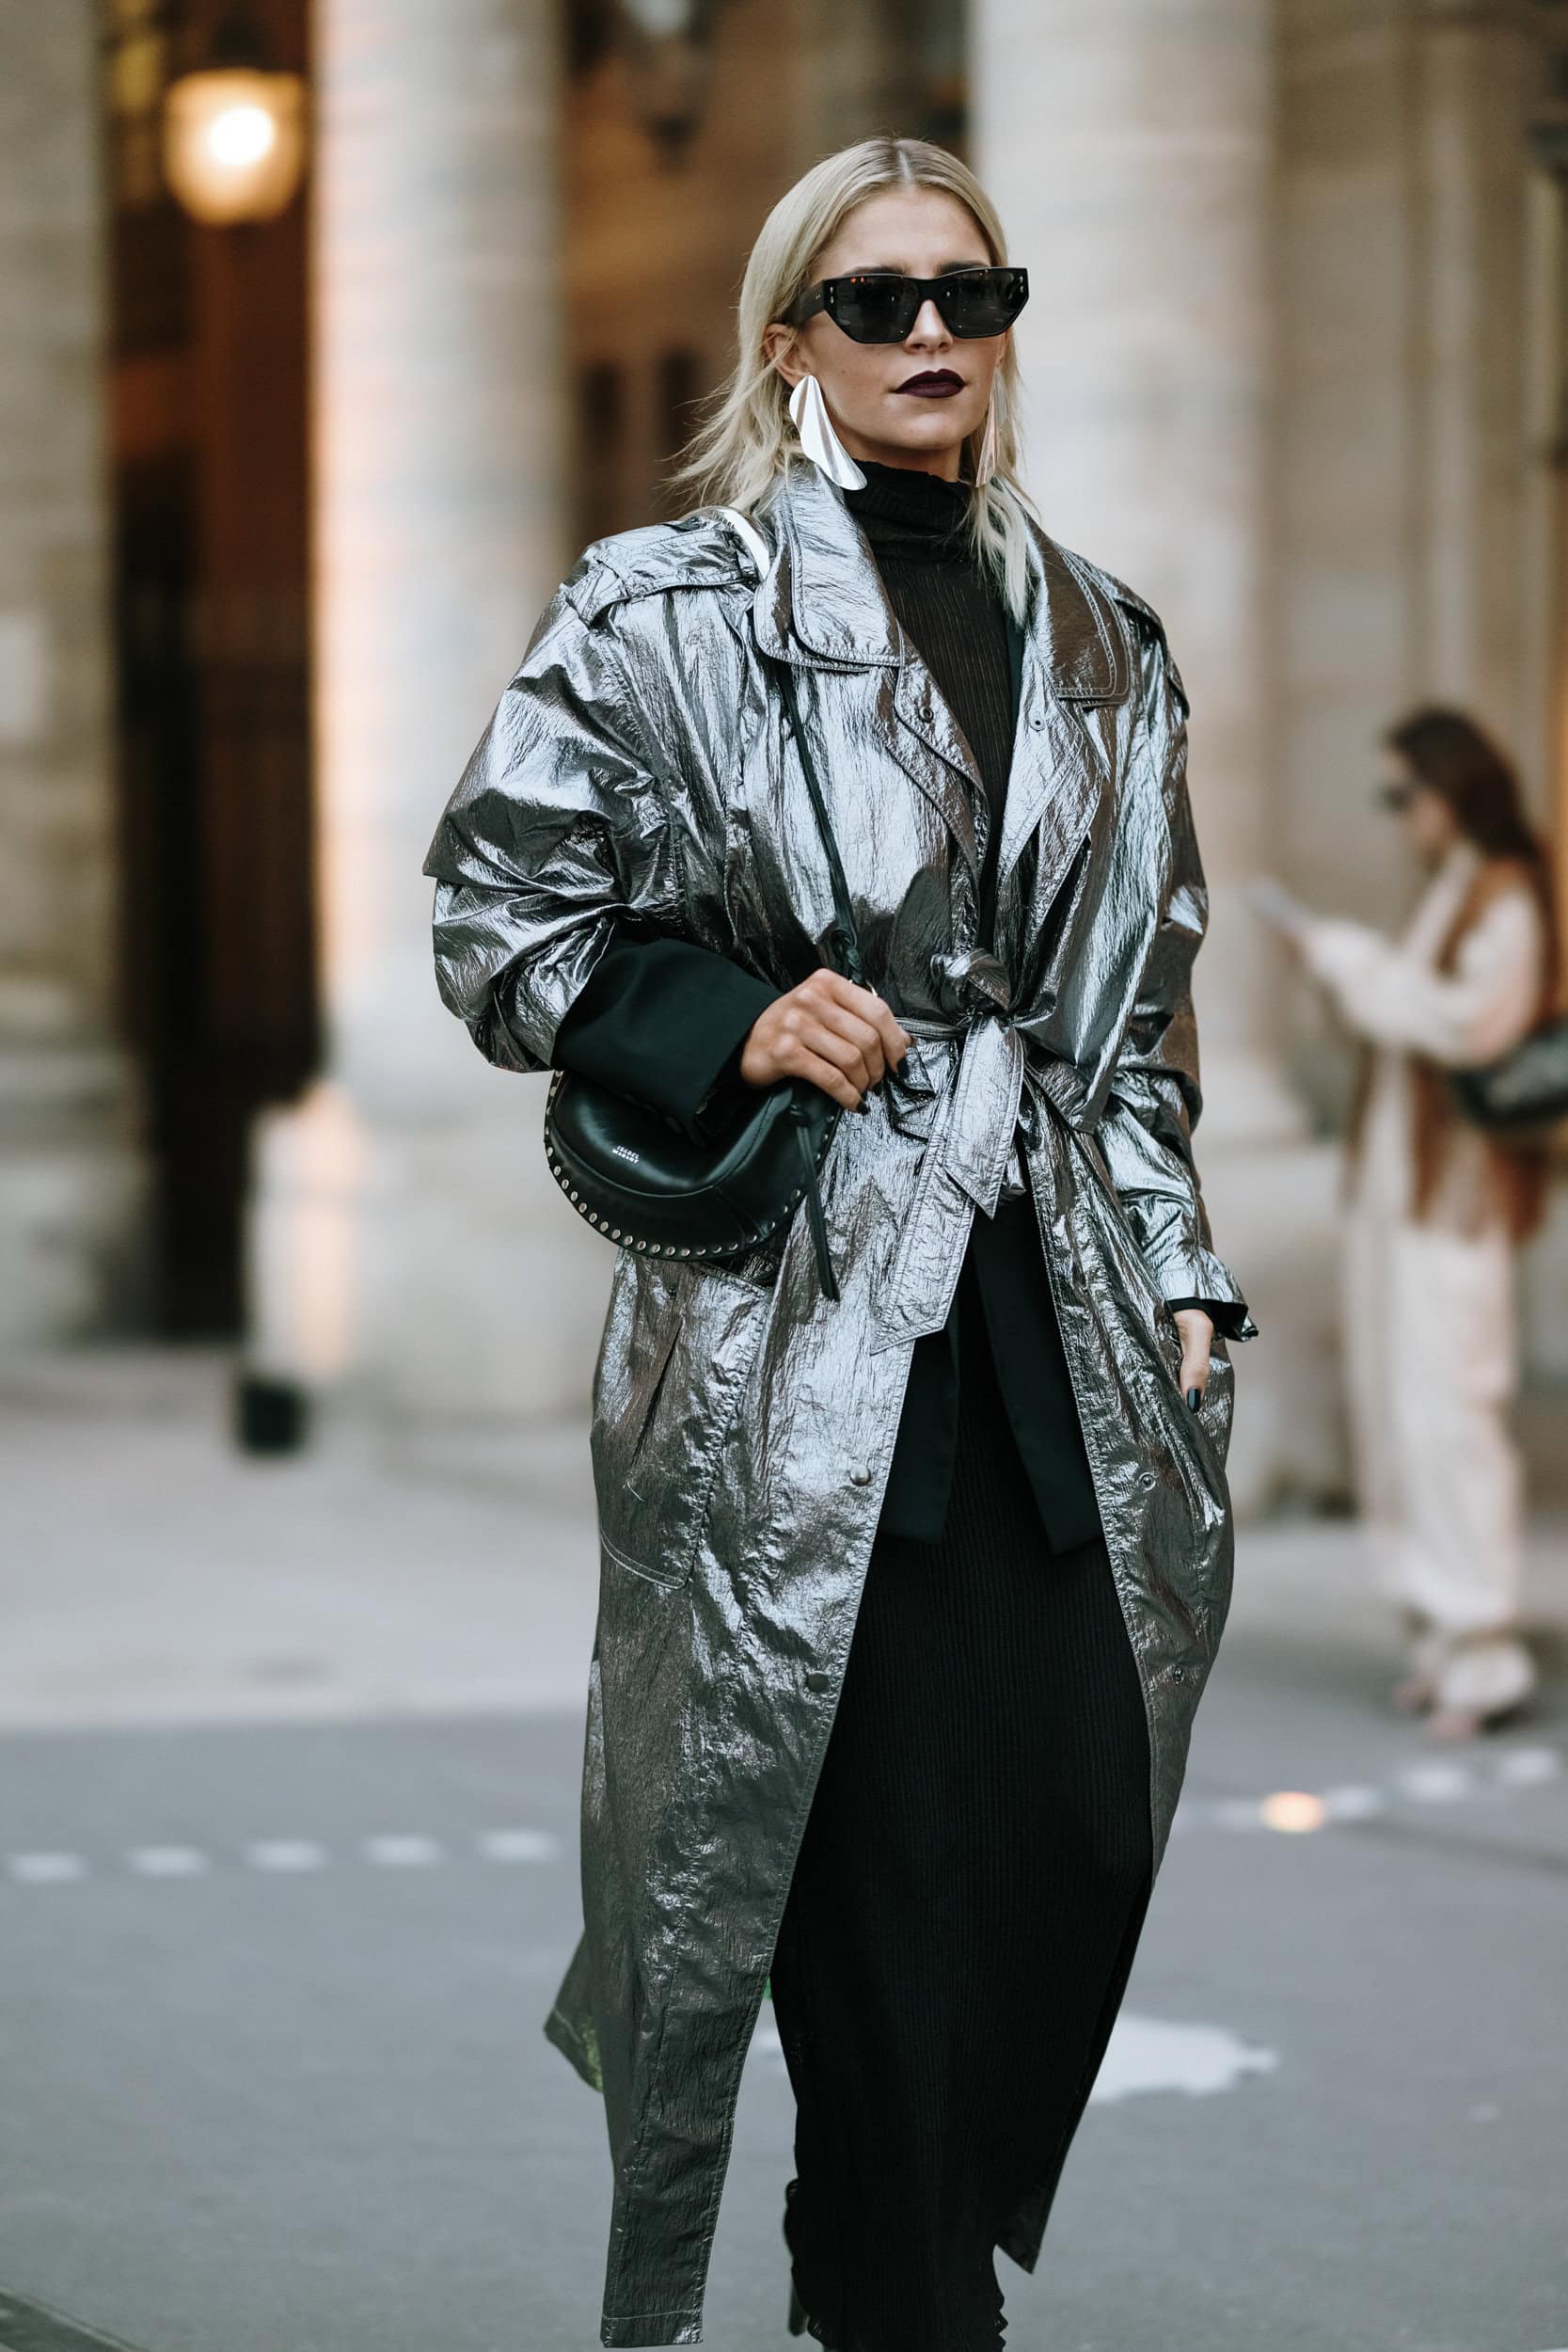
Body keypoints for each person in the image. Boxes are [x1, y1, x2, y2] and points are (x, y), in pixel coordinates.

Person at [424, 135, 1257, 2352]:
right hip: (799, 1341)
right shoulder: (658, 611)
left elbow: (1135, 1015)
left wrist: (1181, 1272)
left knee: (1071, 1816)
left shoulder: (1102, 638)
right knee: (857, 1868)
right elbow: (498, 920)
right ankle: (905, 2291)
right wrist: (728, 1014)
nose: (929, 336)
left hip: (1057, 1332)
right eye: (876, 301)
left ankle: (871, 2228)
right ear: (789, 340)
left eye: (968, 294)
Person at [1275, 709, 1558, 1741]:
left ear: (1449, 788)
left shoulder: (1504, 891)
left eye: (1403, 795)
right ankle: (1439, 1639)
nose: (1397, 817)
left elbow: (1462, 1025)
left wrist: (1348, 960)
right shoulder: (1450, 886)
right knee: (1398, 1413)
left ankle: (1484, 1649)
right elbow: (1398, 1021)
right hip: (1398, 1194)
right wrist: (1334, 970)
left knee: (1451, 1413)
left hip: (1454, 1204)